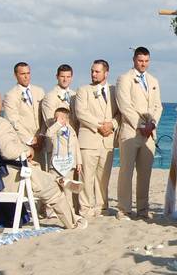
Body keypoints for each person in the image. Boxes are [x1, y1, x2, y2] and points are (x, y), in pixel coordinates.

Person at [0, 87, 85, 230]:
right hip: (8, 179)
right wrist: (27, 149)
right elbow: (9, 152)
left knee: (37, 172)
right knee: (53, 190)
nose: (2, 102)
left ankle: (59, 179)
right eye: (0, 99)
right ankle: (72, 223)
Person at [115, 47, 163, 219]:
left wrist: (152, 123)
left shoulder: (153, 80)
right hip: (131, 131)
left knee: (145, 172)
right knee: (126, 171)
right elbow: (124, 105)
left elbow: (158, 106)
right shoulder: (124, 79)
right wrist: (141, 124)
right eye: (140, 61)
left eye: (146, 61)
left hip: (149, 132)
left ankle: (143, 208)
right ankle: (124, 208)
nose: (143, 64)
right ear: (134, 60)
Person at [75, 60, 118, 218]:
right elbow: (81, 113)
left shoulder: (114, 90)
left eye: (97, 72)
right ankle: (85, 208)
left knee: (103, 177)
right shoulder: (83, 90)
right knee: (86, 176)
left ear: (106, 73)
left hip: (107, 141)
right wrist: (99, 126)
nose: (93, 74)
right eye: (92, 71)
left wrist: (112, 124)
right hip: (89, 139)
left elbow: (119, 113)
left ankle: (102, 207)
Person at [3, 62, 46, 161]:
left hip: (41, 142)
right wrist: (31, 140)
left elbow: (44, 116)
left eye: (28, 73)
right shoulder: (11, 95)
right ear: (15, 75)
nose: (26, 77)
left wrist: (41, 136)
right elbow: (13, 121)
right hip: (24, 143)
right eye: (23, 74)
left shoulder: (40, 91)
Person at [41, 64, 77, 131]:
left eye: (68, 77)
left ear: (72, 77)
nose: (65, 79)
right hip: (59, 137)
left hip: (75, 137)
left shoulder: (75, 95)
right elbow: (50, 122)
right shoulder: (49, 96)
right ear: (57, 77)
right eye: (62, 76)